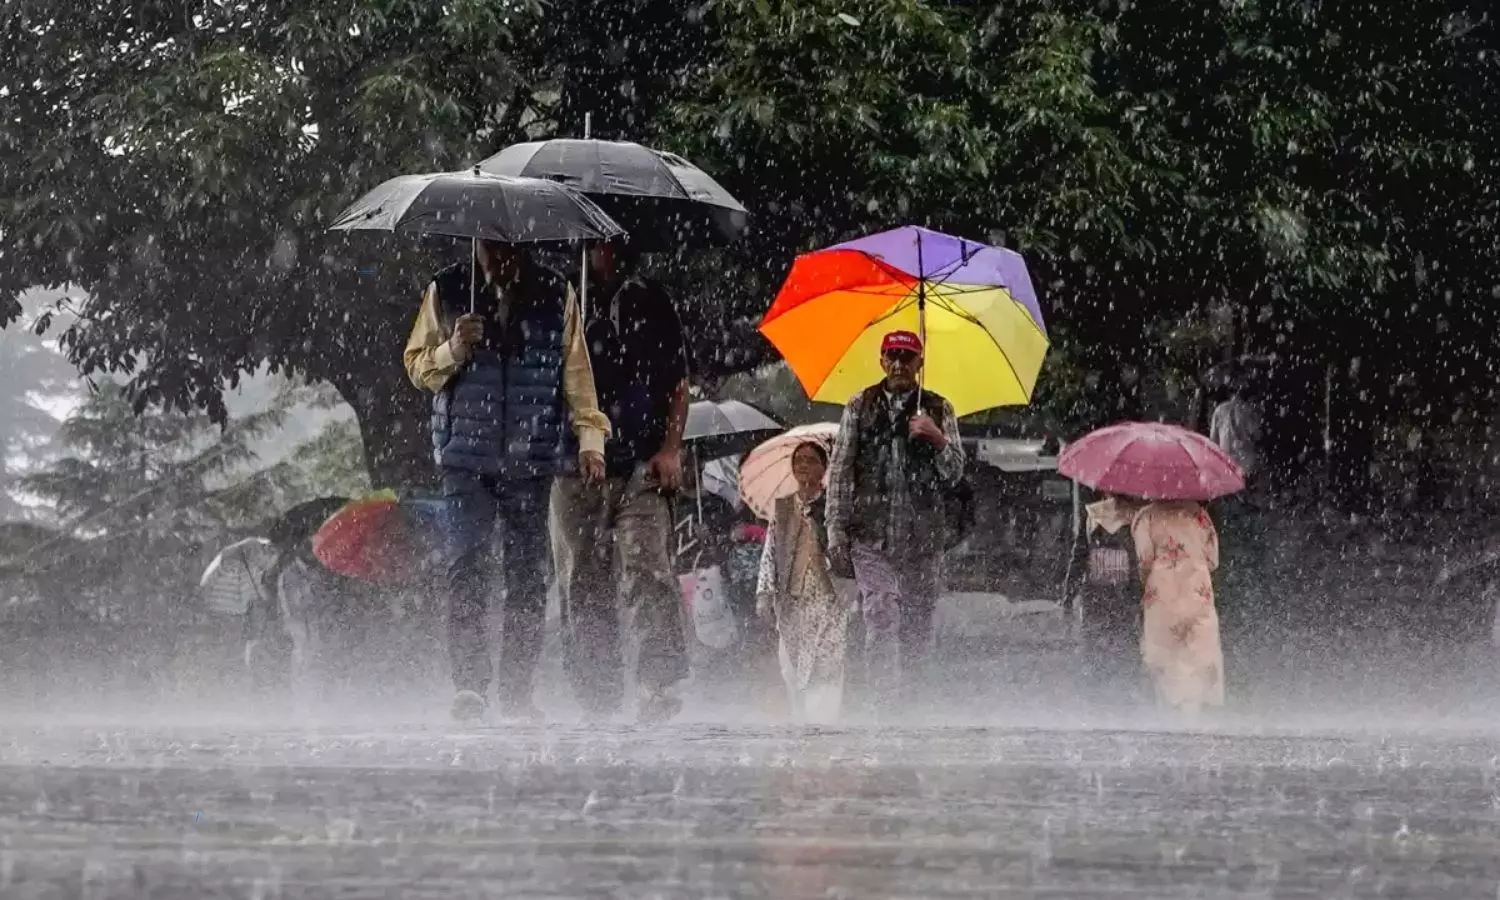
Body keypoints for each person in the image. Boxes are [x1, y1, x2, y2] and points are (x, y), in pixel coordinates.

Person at [403, 240, 610, 724]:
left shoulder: (557, 293)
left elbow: (577, 374)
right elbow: (417, 367)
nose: (496, 260)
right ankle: (470, 686)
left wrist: (590, 441)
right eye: (487, 249)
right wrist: (455, 348)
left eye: (505, 249)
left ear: (522, 245)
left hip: (531, 458)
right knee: (467, 567)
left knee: (526, 576)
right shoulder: (448, 288)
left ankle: (517, 690)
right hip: (465, 461)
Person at [548, 238, 690, 725]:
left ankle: (658, 681)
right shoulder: (560, 296)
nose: (604, 248)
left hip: (641, 464)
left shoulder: (651, 299)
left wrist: (671, 448)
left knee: (648, 568)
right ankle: (596, 693)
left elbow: (677, 382)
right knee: (580, 579)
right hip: (572, 463)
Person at [825, 330, 966, 713]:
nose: (900, 364)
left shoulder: (940, 408)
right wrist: (835, 531)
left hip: (923, 537)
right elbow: (840, 470)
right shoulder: (859, 404)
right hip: (870, 535)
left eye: (908, 356)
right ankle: (883, 704)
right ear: (882, 360)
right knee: (881, 613)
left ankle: (914, 704)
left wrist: (936, 438)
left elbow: (954, 474)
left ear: (920, 362)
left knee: (918, 624)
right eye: (893, 356)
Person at [1088, 494, 1225, 716]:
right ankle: (1193, 715)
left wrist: (1151, 577)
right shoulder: (1200, 515)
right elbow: (1213, 559)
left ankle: (1167, 715)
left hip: (1163, 594)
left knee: (1164, 656)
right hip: (1198, 593)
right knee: (1197, 655)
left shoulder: (1147, 516)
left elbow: (1144, 559)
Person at [755, 441, 852, 724]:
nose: (803, 465)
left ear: (824, 468)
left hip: (828, 595)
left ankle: (824, 719)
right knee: (793, 662)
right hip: (792, 598)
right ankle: (801, 718)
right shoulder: (783, 509)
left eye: (811, 460)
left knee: (828, 661)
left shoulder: (835, 507)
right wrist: (764, 593)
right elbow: (770, 552)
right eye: (799, 460)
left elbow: (847, 547)